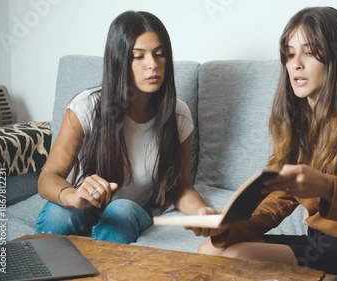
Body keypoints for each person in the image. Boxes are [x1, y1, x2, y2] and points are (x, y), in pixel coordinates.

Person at [196, 7, 337, 281]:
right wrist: (227, 226)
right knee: (209, 249)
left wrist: (326, 187)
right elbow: (279, 197)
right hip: (324, 243)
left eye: (310, 51)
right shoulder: (295, 119)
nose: (296, 64)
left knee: (237, 258)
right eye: (290, 54)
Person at [36, 10, 213, 244]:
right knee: (57, 215)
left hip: (132, 212)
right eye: (138, 56)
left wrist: (201, 211)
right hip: (86, 206)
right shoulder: (87, 107)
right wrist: (73, 196)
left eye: (159, 55)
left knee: (120, 210)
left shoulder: (178, 115)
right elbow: (48, 176)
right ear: (119, 61)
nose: (153, 65)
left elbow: (180, 187)